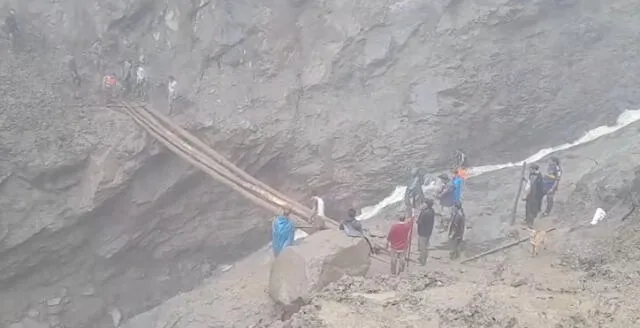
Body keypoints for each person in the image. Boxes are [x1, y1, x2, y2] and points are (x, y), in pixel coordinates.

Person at [417, 198, 436, 265]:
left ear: (427, 204)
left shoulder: (425, 213)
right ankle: (422, 257)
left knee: (423, 247)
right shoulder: (432, 211)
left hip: (423, 232)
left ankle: (423, 261)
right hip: (428, 232)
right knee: (425, 246)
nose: (423, 204)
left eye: (424, 203)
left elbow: (419, 222)